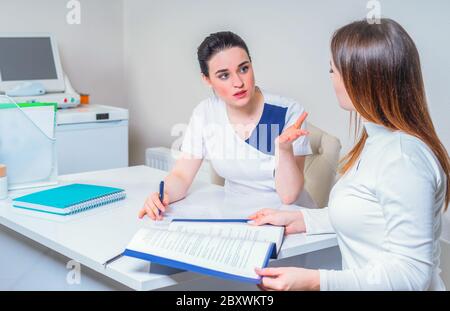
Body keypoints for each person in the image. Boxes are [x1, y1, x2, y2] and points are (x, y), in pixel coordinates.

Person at [251, 18, 450, 291]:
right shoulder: (378, 140)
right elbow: (367, 214)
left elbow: (412, 275)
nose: (330, 78)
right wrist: (301, 220)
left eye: (333, 70)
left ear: (361, 78)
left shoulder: (404, 158)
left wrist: (314, 281)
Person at [138, 31, 312, 221]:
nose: (238, 82)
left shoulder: (288, 112)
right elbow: (181, 175)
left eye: (244, 69)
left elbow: (289, 195)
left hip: (287, 219)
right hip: (236, 217)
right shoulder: (205, 113)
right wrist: (161, 197)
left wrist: (284, 149)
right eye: (223, 76)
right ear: (206, 79)